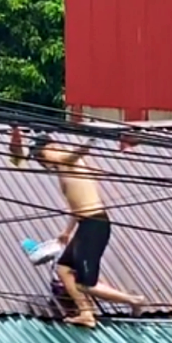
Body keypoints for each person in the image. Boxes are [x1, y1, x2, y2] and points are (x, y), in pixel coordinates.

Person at [21, 133, 145, 328]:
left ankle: (133, 301)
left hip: (94, 225)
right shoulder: (66, 168)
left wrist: (88, 144)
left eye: (39, 155)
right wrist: (67, 231)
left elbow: (72, 156)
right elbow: (76, 205)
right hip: (87, 224)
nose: (39, 161)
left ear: (49, 148)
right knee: (63, 270)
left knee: (83, 284)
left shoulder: (64, 157)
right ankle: (86, 312)